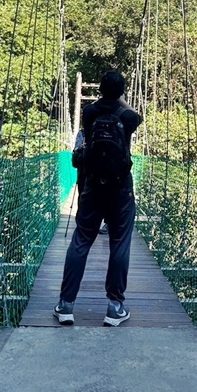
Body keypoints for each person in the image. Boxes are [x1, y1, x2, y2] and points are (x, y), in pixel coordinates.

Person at [54, 69, 141, 326]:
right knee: (120, 244)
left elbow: (88, 132)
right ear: (122, 91)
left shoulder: (89, 113)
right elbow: (136, 116)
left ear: (101, 89)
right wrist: (121, 98)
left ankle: (66, 305)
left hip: (92, 187)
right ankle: (115, 306)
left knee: (81, 241)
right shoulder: (128, 116)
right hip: (120, 189)